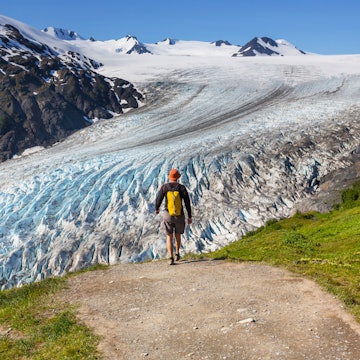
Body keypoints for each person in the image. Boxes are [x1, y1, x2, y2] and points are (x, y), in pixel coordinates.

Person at [155, 168, 192, 265]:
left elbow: (159, 198)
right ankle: (177, 253)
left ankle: (170, 257)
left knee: (169, 236)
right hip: (179, 214)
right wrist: (189, 216)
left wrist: (157, 208)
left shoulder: (165, 187)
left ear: (170, 177)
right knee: (178, 235)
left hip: (168, 215)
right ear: (178, 177)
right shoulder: (181, 188)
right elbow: (187, 202)